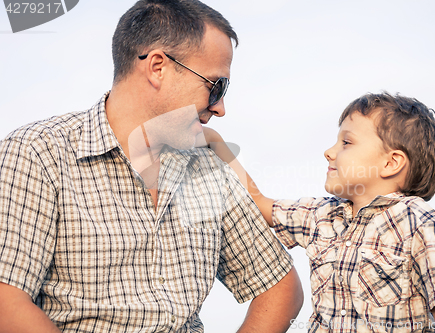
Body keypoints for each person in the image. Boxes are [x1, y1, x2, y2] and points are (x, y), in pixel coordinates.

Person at [0, 0, 303, 332]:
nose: (220, 108)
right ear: (158, 66)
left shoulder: (207, 168)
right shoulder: (37, 153)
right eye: (216, 86)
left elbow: (280, 287)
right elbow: (6, 300)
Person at [205, 92, 435, 332]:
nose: (329, 152)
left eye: (346, 142)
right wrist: (216, 143)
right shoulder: (322, 215)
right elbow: (260, 205)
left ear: (391, 163)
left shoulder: (420, 222)